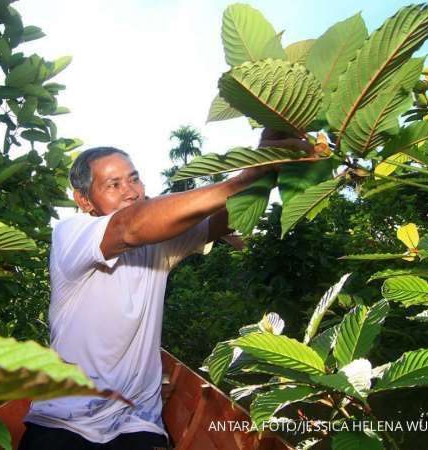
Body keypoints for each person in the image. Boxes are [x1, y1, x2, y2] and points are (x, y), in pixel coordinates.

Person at [19, 130, 315, 450]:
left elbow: (225, 217)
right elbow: (129, 226)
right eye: (113, 184)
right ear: (84, 200)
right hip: (64, 421)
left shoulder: (161, 242)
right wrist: (243, 177)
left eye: (134, 179)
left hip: (137, 422)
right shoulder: (72, 234)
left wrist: (269, 163)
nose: (130, 191)